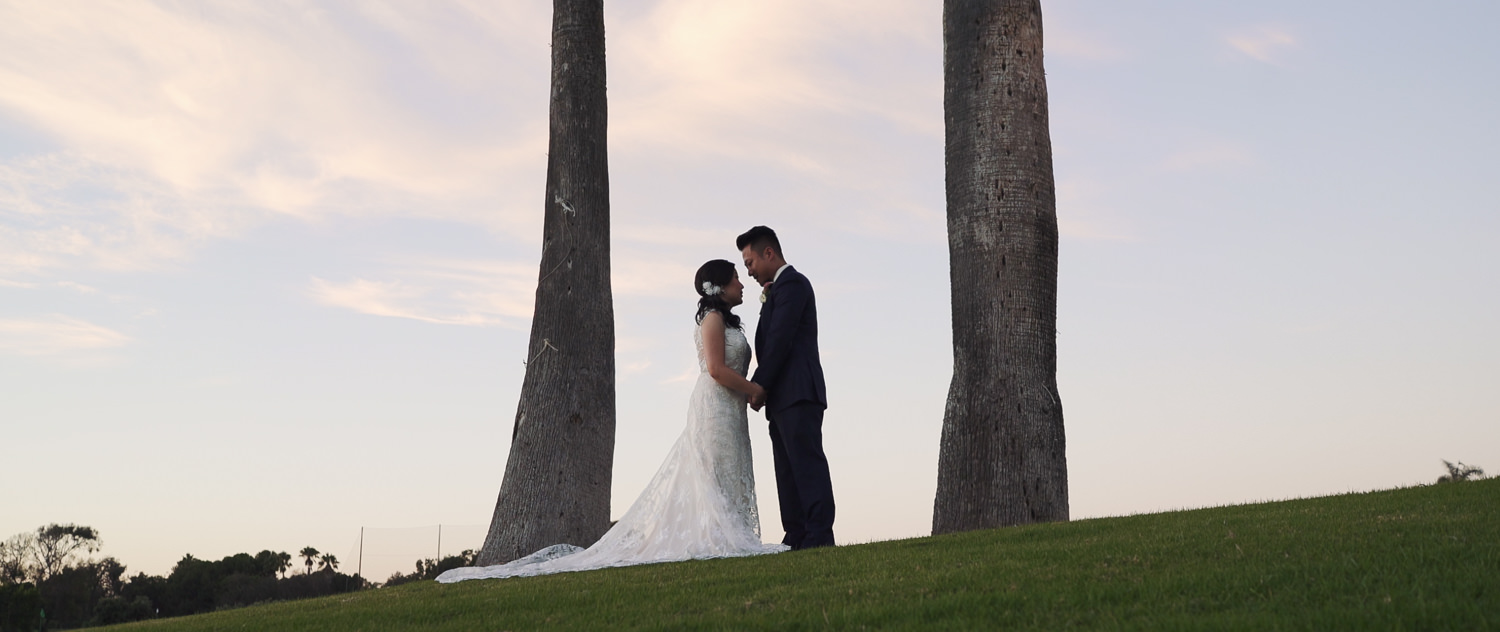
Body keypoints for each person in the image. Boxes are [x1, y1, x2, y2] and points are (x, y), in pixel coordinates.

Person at [437, 260, 785, 583]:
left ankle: (730, 532)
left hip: (731, 408)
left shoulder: (727, 321)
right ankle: (718, 537)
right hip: (715, 406)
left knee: (729, 466)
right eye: (736, 278)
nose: (742, 283)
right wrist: (754, 388)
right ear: (720, 287)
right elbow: (715, 369)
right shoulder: (711, 318)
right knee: (714, 470)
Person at [737, 226, 836, 550]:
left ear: (769, 253)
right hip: (782, 395)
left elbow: (781, 338)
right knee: (786, 469)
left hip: (798, 390)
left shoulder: (793, 284)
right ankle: (795, 533)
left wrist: (758, 385)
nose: (748, 270)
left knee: (806, 465)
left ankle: (819, 535)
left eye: (750, 262)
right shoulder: (775, 290)